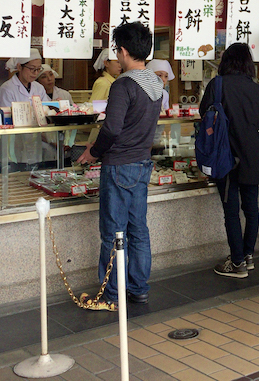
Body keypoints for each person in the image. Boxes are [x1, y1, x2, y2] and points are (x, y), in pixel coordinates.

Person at [77, 22, 164, 308]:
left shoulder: (124, 85)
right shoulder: (155, 83)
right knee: (138, 228)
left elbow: (112, 129)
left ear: (123, 51)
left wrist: (93, 152)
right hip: (141, 163)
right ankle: (139, 288)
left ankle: (112, 294)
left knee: (113, 232)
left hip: (119, 165)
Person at [201, 43, 259, 278]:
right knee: (252, 208)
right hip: (252, 154)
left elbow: (204, 115)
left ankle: (236, 262)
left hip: (225, 155)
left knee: (231, 210)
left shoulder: (217, 85)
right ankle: (247, 255)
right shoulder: (257, 89)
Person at [0, 51, 48, 172]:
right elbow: (6, 118)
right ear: (19, 67)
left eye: (38, 69)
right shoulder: (7, 89)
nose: (36, 73)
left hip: (33, 146)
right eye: (32, 69)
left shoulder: (39, 88)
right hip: (11, 147)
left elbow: (45, 110)